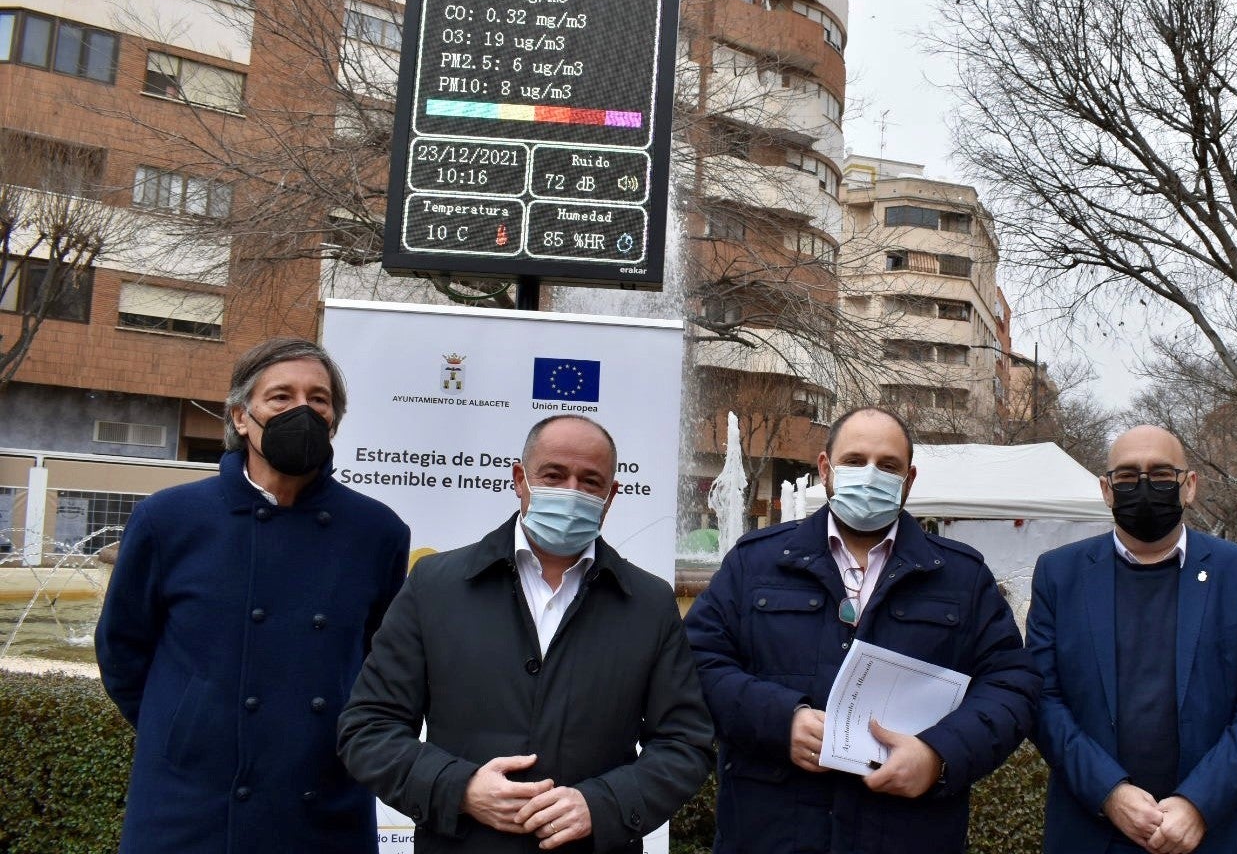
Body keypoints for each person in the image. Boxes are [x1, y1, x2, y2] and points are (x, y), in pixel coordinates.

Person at [337, 415, 714, 853]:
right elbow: (368, 729)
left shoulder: (648, 603)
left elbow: (685, 743)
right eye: (553, 475)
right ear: (520, 479)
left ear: (610, 496)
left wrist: (602, 805)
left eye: (590, 481)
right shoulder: (435, 586)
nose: (571, 491)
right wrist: (460, 789)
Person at [95, 337, 410, 853]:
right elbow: (122, 652)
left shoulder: (377, 532)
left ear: (334, 420)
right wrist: (188, 726)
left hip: (322, 799)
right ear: (242, 417)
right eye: (281, 397)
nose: (302, 411)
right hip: (189, 802)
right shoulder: (169, 519)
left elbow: (382, 665)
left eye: (319, 399)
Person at [684, 406, 1040, 854]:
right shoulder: (755, 561)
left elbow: (1012, 684)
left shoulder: (961, 576)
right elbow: (699, 661)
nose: (870, 476)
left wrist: (939, 755)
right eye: (854, 461)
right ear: (825, 468)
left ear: (908, 481)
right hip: (767, 832)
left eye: (887, 466)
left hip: (908, 834)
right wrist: (780, 721)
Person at [1026, 425, 1237, 854]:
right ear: (1107, 490)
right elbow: (1042, 698)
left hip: (1214, 833)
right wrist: (1108, 792)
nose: (1144, 486)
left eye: (1162, 475)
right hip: (1092, 830)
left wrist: (1198, 803)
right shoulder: (1059, 574)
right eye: (1127, 477)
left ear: (1190, 486)